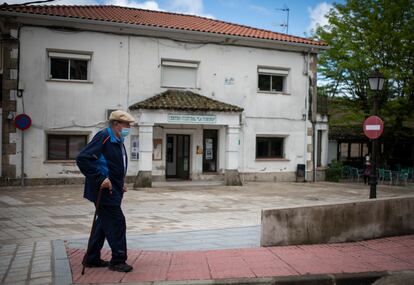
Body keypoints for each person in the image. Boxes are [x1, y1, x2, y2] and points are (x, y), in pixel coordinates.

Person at [76, 110, 135, 272]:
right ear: (116, 124)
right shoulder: (104, 137)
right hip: (103, 191)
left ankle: (92, 258)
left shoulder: (118, 139)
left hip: (113, 189)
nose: (129, 127)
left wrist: (119, 183)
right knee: (117, 223)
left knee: (103, 223)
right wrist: (100, 179)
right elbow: (83, 159)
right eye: (127, 124)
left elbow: (111, 165)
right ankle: (118, 260)